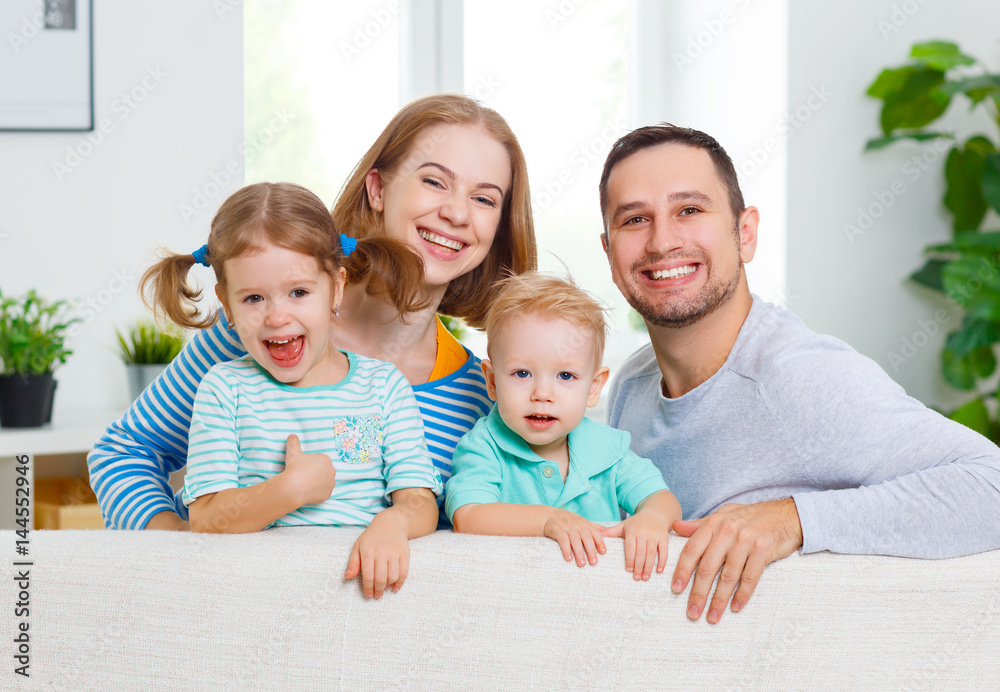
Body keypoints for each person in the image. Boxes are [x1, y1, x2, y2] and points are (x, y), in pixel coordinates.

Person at [87, 94, 536, 598]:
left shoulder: (484, 393)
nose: (456, 212)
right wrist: (175, 552)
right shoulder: (262, 338)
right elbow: (124, 452)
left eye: (484, 198)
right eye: (434, 181)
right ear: (378, 188)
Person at [599, 124, 1000, 624]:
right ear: (610, 254)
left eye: (690, 210)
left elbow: (992, 486)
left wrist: (789, 520)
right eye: (635, 219)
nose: (662, 241)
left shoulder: (799, 377)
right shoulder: (632, 384)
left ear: (745, 234)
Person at [139, 182, 442, 545]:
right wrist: (291, 489)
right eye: (253, 298)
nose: (278, 317)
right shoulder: (224, 390)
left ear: (337, 288)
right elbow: (206, 518)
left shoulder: (384, 388)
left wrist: (396, 524)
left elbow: (419, 502)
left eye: (298, 292)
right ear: (227, 305)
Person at [446, 272, 681, 579]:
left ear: (594, 387)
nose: (542, 394)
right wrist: (547, 520)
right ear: (491, 381)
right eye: (521, 373)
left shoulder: (607, 449)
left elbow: (661, 498)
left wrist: (652, 517)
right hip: (512, 598)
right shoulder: (484, 446)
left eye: (565, 376)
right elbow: (469, 515)